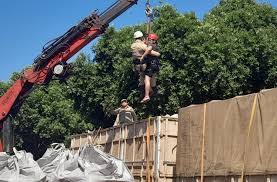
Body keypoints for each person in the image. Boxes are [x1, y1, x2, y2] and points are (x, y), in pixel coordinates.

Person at [131, 31, 160, 103]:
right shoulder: (144, 45)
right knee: (149, 79)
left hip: (139, 66)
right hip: (149, 65)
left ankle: (145, 93)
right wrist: (158, 54)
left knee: (143, 79)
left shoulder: (132, 45)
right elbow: (150, 50)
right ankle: (150, 92)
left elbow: (147, 48)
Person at [139, 33, 161, 103]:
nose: (148, 40)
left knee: (147, 79)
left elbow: (149, 49)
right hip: (155, 65)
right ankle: (151, 91)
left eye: (149, 39)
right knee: (147, 80)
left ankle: (146, 95)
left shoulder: (151, 45)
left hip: (151, 65)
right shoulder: (156, 46)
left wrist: (143, 56)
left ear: (152, 40)